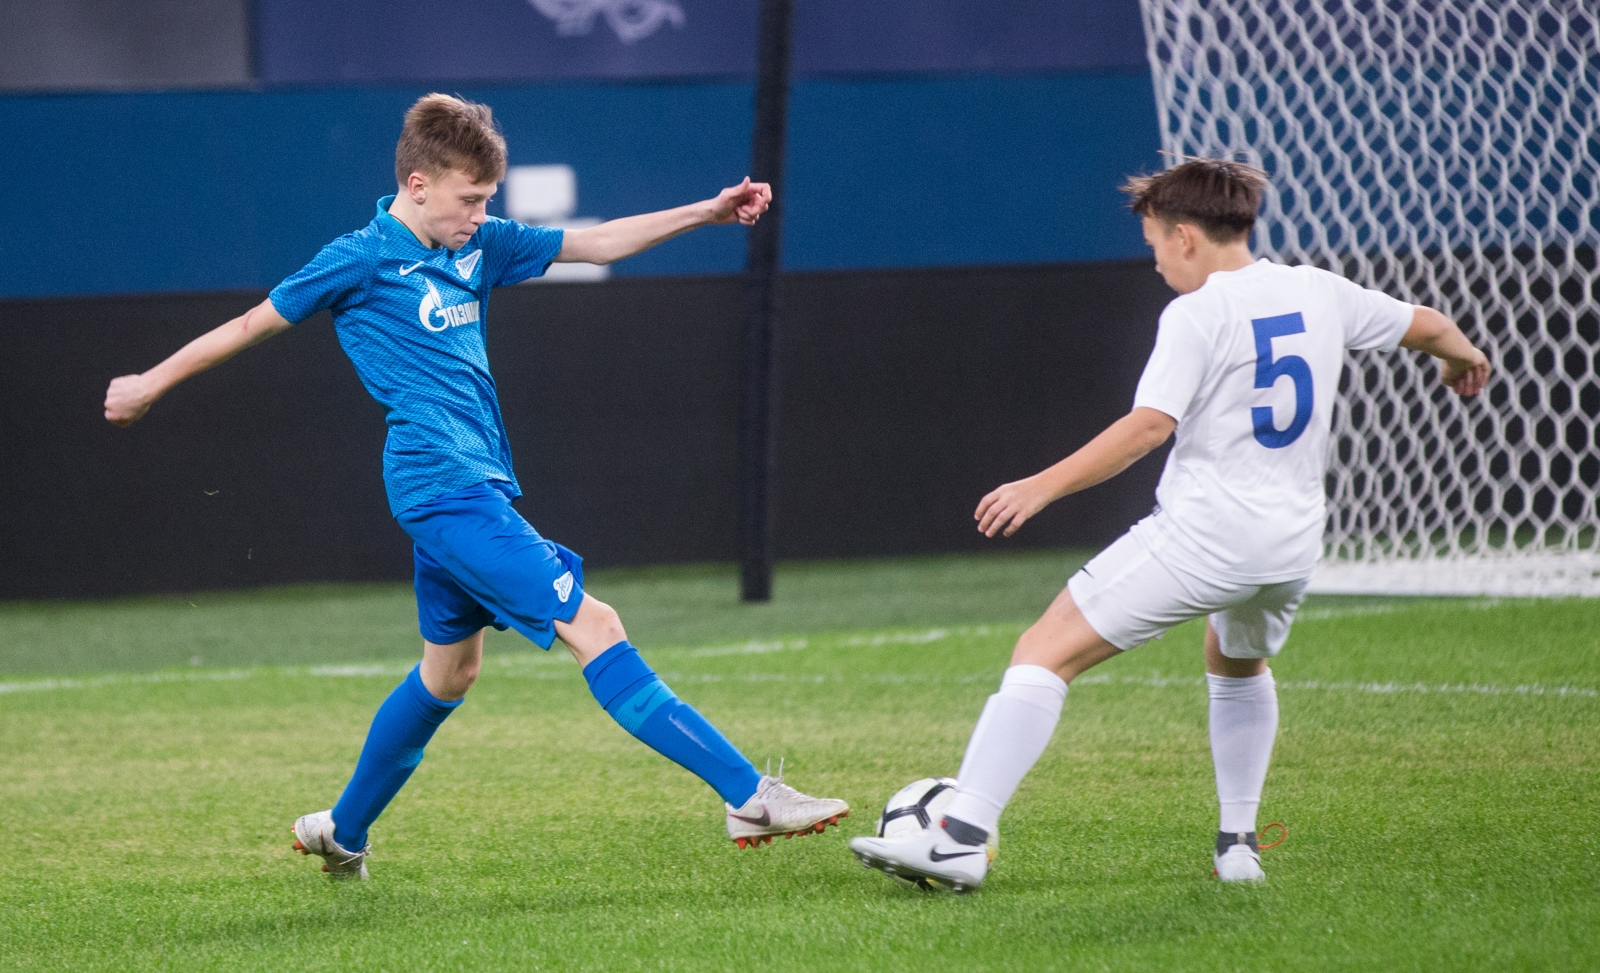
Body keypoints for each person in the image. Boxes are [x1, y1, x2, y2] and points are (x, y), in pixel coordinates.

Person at [104, 94, 847, 881]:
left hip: (466, 488)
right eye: (470, 199)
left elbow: (593, 242)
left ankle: (342, 829)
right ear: (418, 185)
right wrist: (150, 383)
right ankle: (748, 794)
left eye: (487, 199)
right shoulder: (359, 257)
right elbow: (253, 324)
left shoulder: (481, 245)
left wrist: (710, 211)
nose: (480, 214)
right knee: (593, 622)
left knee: (449, 672)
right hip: (441, 486)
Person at [848, 158, 1490, 890]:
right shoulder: (1318, 289)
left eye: (1154, 242)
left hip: (1205, 536)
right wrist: (1462, 360)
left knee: (1042, 651)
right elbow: (1432, 325)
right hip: (1291, 543)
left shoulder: (1197, 312)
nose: (1153, 261)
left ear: (1186, 237)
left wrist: (1039, 486)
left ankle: (959, 836)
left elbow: (1149, 427)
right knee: (1237, 661)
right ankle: (1238, 846)